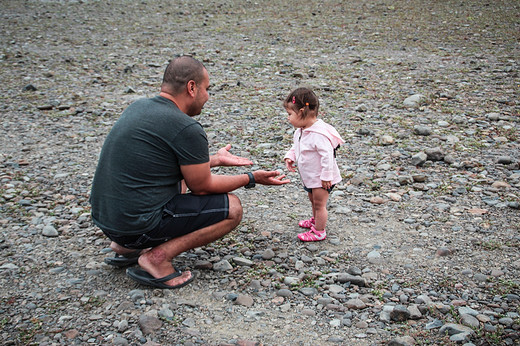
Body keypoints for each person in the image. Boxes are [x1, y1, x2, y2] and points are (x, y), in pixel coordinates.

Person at [90, 55, 289, 289]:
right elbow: (202, 186)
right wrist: (252, 178)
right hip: (135, 225)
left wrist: (213, 160)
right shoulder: (186, 127)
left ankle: (126, 246)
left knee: (179, 184)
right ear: (191, 88)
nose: (207, 97)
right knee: (232, 208)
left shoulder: (138, 107)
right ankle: (157, 257)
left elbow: (160, 163)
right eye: (207, 89)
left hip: (107, 220)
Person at [283, 87, 345, 242]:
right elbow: (297, 145)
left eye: (290, 114)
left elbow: (327, 156)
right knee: (312, 199)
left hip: (322, 178)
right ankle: (316, 220)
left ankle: (319, 231)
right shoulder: (302, 130)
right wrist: (290, 156)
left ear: (302, 111)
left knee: (319, 204)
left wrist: (326, 177)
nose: (288, 118)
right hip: (311, 176)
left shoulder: (319, 134)